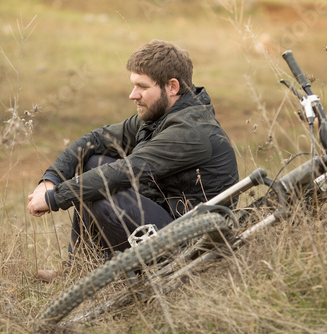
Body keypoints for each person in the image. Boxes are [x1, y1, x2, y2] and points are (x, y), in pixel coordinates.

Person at [27, 39, 238, 260]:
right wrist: (49, 181)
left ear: (172, 87)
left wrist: (53, 199)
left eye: (143, 87)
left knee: (103, 188)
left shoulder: (191, 131)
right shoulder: (162, 116)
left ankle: (110, 270)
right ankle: (80, 267)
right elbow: (96, 140)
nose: (133, 95)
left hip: (190, 240)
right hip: (165, 217)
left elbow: (124, 172)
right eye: (134, 85)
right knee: (94, 162)